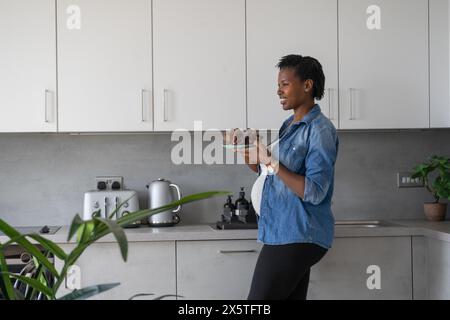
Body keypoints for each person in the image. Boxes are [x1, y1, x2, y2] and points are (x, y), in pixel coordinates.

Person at [237, 54, 339, 300]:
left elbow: (314, 191)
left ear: (307, 85)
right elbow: (267, 172)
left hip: (298, 233)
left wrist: (271, 160)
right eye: (278, 85)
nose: (279, 91)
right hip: (283, 231)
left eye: (285, 84)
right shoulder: (289, 126)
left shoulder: (320, 130)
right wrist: (246, 147)